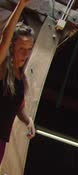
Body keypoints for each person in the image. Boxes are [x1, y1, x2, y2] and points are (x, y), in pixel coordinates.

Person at [0, 0, 35, 165]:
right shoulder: (2, 68)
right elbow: (4, 39)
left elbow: (18, 108)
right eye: (22, 48)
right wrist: (21, 5)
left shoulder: (22, 80)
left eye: (29, 50)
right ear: (12, 47)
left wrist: (28, 120)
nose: (25, 54)